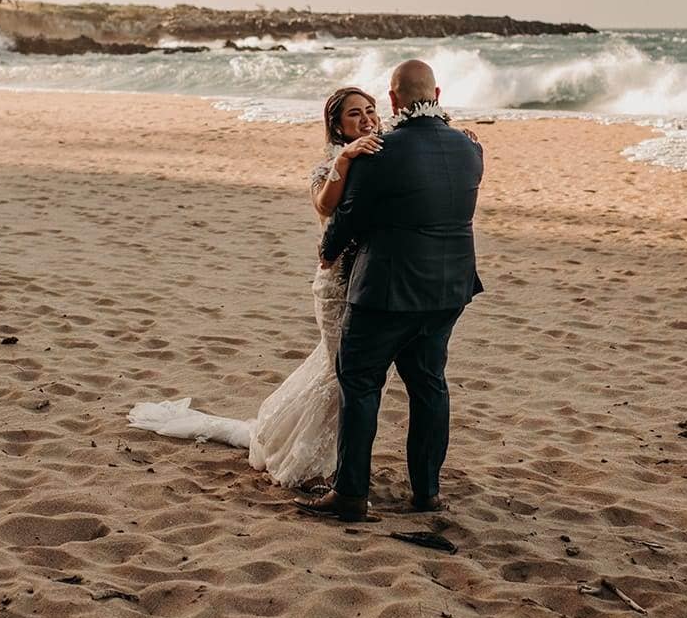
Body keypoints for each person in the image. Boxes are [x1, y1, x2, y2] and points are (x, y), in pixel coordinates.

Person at [125, 86, 383, 487]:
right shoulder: (329, 167)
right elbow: (324, 207)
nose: (366, 119)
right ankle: (298, 455)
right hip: (334, 285)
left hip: (368, 282)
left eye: (370, 110)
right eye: (355, 114)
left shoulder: (382, 156)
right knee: (340, 371)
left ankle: (325, 452)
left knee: (338, 373)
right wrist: (346, 159)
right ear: (336, 125)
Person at [298, 60, 484, 522]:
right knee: (429, 387)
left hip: (386, 290)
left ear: (394, 100)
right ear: (437, 94)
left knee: (360, 384)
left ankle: (351, 495)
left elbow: (349, 217)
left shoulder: (380, 151)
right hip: (449, 288)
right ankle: (426, 493)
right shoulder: (469, 148)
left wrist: (328, 251)